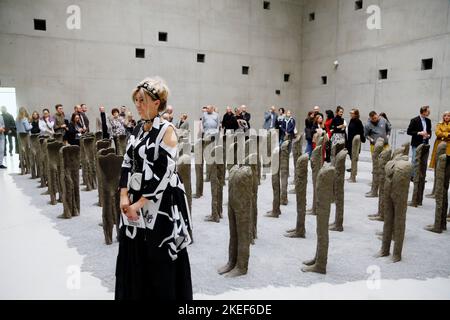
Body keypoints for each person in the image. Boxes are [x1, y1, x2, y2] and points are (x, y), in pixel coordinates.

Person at [116, 77, 192, 300]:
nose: (137, 105)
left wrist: (138, 204)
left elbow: (164, 173)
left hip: (160, 205)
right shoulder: (138, 128)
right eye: (136, 101)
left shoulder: (167, 130)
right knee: (135, 254)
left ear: (157, 103)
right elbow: (127, 161)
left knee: (158, 258)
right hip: (135, 201)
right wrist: (123, 194)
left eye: (142, 100)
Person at [407, 106, 432, 171]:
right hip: (416, 143)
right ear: (423, 111)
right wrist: (419, 133)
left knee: (423, 161)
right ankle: (413, 176)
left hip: (425, 143)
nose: (429, 112)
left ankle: (421, 177)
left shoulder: (428, 121)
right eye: (428, 111)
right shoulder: (414, 120)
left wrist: (428, 135)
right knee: (415, 160)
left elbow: (429, 130)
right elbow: (409, 131)